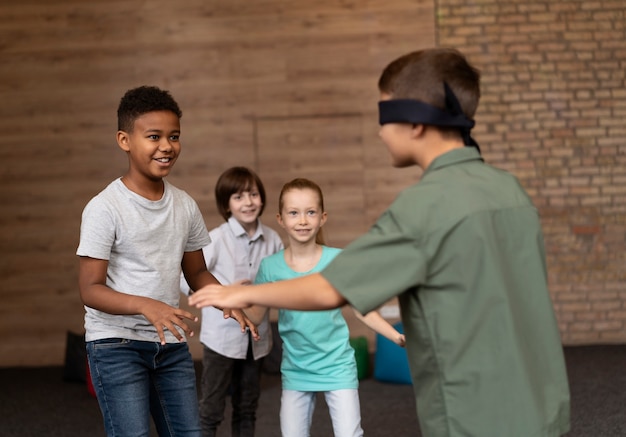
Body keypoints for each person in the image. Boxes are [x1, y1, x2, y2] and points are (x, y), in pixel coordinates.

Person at [188, 48, 571, 437]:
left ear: (415, 122)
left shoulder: (424, 207)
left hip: (475, 416)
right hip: (542, 406)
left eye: (383, 116)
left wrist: (238, 296)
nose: (379, 131)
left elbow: (329, 289)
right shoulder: (510, 191)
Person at [77, 86, 256, 437]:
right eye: (154, 136)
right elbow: (90, 289)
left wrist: (225, 298)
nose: (167, 146)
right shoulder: (104, 208)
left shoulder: (185, 205)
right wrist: (149, 307)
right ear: (124, 140)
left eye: (174, 137)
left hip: (169, 345)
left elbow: (197, 272)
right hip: (116, 345)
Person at [242, 177, 405, 437]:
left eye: (310, 212)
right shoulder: (270, 267)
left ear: (323, 217)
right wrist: (237, 301)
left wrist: (396, 335)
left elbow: (362, 307)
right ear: (281, 219)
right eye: (294, 213)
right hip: (296, 368)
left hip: (337, 366)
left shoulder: (338, 260)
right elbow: (257, 314)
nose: (303, 220)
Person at [180, 166, 284, 437]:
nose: (248, 202)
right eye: (238, 197)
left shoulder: (273, 239)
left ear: (262, 198)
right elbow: (186, 278)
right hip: (222, 339)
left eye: (253, 194)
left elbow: (283, 281)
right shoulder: (215, 238)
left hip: (258, 340)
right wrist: (224, 291)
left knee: (247, 407)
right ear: (226, 204)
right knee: (211, 409)